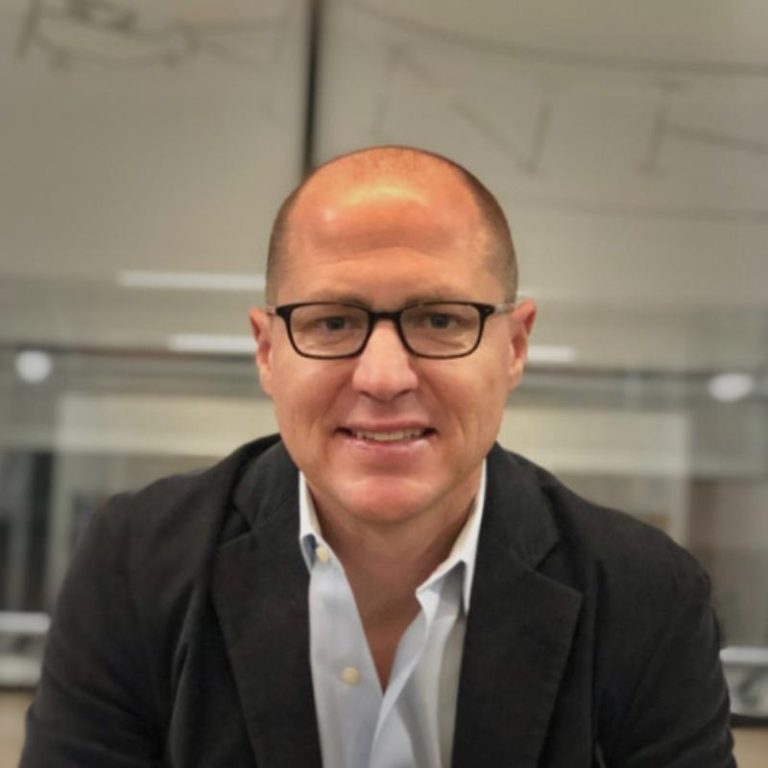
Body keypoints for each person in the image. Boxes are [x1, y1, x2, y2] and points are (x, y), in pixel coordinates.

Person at [21, 146, 734, 767]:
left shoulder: (648, 596)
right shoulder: (137, 566)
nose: (384, 377)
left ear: (514, 347)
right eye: (333, 322)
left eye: (440, 319)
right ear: (267, 351)